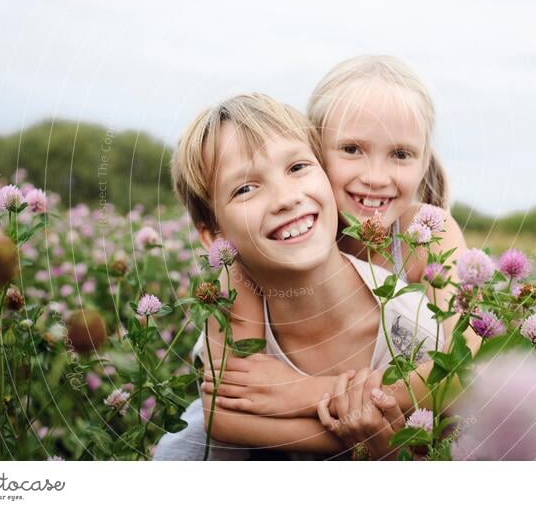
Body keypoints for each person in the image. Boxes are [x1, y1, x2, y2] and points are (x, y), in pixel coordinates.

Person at [155, 93, 444, 460]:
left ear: (328, 178)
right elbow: (223, 423)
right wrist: (360, 436)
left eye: (297, 168)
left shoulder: (414, 326)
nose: (285, 199)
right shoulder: (235, 296)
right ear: (215, 235)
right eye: (245, 188)